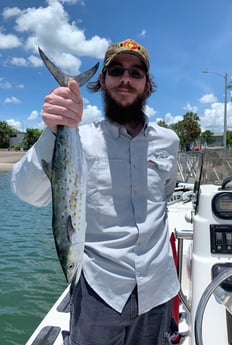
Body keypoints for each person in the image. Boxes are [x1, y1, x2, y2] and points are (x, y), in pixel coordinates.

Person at [11, 38, 180, 345]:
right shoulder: (81, 138)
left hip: (158, 288)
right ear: (102, 80)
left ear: (147, 82)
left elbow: (165, 194)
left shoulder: (169, 141)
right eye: (116, 70)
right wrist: (53, 130)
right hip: (99, 292)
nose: (125, 79)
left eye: (136, 72)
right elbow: (27, 192)